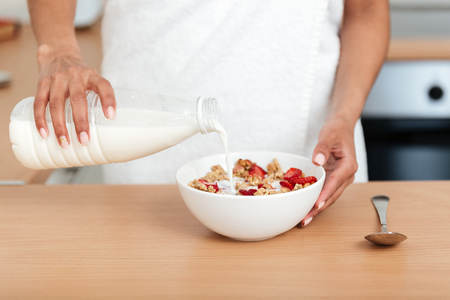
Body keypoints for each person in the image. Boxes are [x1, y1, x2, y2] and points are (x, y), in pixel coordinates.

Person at [27, 0, 390, 227]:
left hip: (311, 163)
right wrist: (57, 47)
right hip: (147, 159)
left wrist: (343, 116)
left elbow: (367, 10)